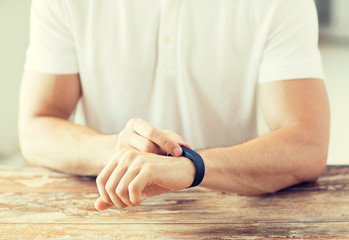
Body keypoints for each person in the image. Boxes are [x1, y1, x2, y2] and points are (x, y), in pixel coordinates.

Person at [19, 0, 330, 211]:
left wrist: (192, 167)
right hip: (106, 211)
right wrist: (120, 152)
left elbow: (307, 144)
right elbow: (36, 128)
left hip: (229, 213)